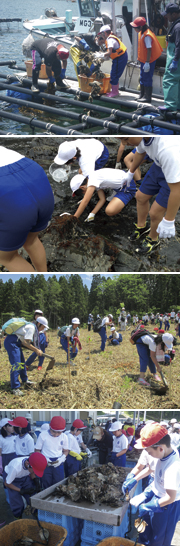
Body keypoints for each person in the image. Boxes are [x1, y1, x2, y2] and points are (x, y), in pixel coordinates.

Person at [120, 136, 180, 255]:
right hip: (158, 166)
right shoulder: (143, 138)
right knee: (140, 197)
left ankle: (153, 239)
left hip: (175, 172)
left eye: (126, 139)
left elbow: (177, 190)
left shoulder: (168, 150)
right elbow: (140, 152)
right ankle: (141, 226)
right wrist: (131, 172)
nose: (124, 143)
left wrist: (169, 220)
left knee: (155, 213)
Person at [123, 422, 180, 546]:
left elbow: (170, 497)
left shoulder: (172, 467)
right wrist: (135, 479)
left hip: (167, 505)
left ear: (160, 448)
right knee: (145, 532)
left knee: (158, 539)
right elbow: (150, 469)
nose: (148, 455)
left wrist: (150, 505)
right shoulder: (163, 453)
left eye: (149, 452)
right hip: (157, 494)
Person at [0, 146, 54, 272]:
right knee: (31, 240)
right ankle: (44, 276)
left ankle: (41, 289)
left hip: (8, 191)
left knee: (8, 258)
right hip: (34, 173)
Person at [71, 168, 136, 222]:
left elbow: (85, 201)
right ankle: (117, 197)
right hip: (123, 179)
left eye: (82, 192)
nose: (84, 194)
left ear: (82, 187)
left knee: (109, 211)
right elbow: (102, 199)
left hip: (127, 188)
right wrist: (92, 213)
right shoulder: (91, 177)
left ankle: (123, 203)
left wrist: (74, 218)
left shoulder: (93, 181)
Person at [4, 318, 43, 396]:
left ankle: (25, 380)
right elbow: (26, 342)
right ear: (39, 324)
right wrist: (36, 350)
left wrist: (35, 349)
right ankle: (15, 388)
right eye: (44, 327)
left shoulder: (30, 326)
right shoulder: (31, 327)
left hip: (16, 343)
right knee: (17, 364)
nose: (44, 329)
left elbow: (24, 342)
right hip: (12, 343)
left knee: (22, 362)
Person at [4, 452, 47, 519]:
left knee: (32, 495)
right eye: (35, 471)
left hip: (24, 477)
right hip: (12, 480)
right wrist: (22, 490)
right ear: (27, 464)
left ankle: (35, 512)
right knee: (17, 502)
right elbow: (7, 483)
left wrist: (35, 481)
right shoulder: (15, 467)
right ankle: (17, 516)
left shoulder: (31, 462)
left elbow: (32, 472)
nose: (35, 472)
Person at [130, 16, 163, 103]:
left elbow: (149, 49)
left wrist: (147, 62)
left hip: (148, 61)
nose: (134, 29)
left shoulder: (147, 35)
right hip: (143, 60)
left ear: (140, 27)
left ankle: (147, 97)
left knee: (147, 78)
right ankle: (142, 94)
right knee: (142, 77)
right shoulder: (142, 32)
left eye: (135, 27)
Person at [35, 416, 68, 489]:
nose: (56, 434)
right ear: (50, 426)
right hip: (46, 462)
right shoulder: (43, 435)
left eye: (59, 432)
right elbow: (37, 450)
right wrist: (44, 459)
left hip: (58, 462)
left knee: (59, 484)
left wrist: (62, 458)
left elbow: (66, 450)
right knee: (46, 484)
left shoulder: (64, 436)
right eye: (53, 431)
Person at [98, 25, 128, 97]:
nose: (102, 36)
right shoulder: (110, 38)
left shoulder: (110, 40)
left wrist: (100, 55)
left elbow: (109, 53)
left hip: (120, 58)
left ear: (105, 33)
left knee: (114, 74)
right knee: (114, 73)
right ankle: (114, 90)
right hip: (119, 57)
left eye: (102, 34)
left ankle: (115, 92)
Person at [162, 3, 180, 111]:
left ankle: (170, 105)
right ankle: (177, 105)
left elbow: (178, 45)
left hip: (175, 57)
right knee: (177, 81)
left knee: (169, 80)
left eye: (168, 14)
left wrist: (175, 60)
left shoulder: (177, 27)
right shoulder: (176, 24)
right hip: (175, 56)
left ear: (174, 14)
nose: (166, 16)